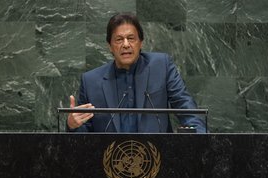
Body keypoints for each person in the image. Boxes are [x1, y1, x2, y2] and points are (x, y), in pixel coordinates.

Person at [67, 13, 206, 133]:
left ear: (141, 43)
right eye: (119, 39)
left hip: (158, 156)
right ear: (109, 46)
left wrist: (200, 138)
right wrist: (72, 125)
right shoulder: (91, 81)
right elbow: (84, 134)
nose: (126, 44)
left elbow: (185, 106)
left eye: (131, 38)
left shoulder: (161, 66)